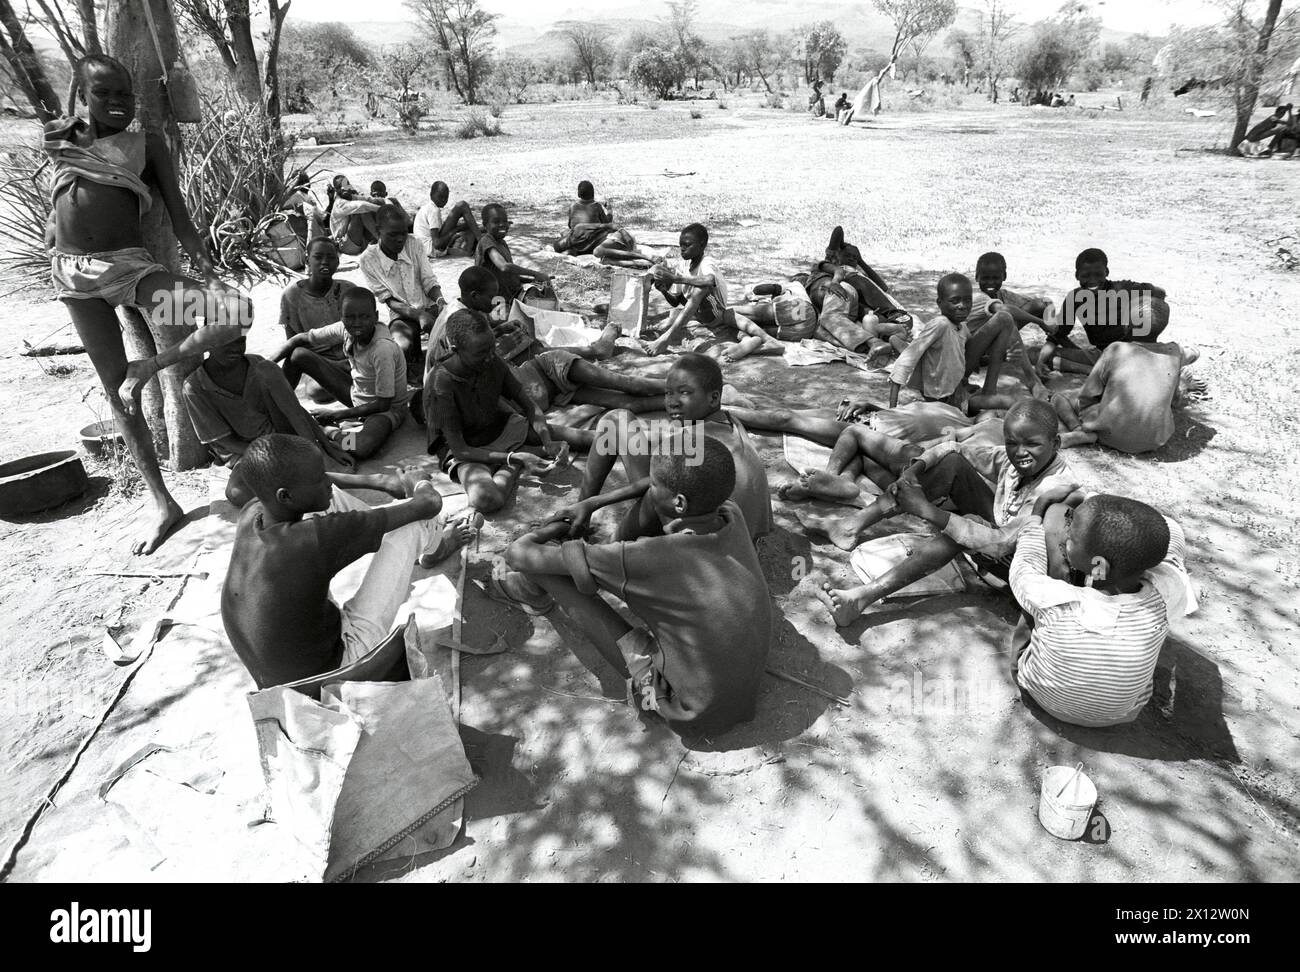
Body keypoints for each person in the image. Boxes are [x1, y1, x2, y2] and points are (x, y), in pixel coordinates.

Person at [44, 53, 250, 554]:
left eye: (124, 93)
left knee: (233, 311)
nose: (115, 102)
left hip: (132, 271)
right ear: (83, 95)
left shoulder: (146, 142)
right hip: (73, 276)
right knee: (120, 395)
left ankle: (151, 364)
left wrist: (205, 271)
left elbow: (178, 214)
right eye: (103, 93)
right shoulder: (63, 137)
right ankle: (164, 504)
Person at [498, 434, 772, 738]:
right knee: (614, 542)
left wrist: (553, 530)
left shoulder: (646, 559)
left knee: (552, 572)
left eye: (654, 485)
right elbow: (662, 489)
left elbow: (517, 554)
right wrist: (592, 503)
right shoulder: (730, 513)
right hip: (741, 686)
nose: (648, 488)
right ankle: (540, 584)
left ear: (679, 502)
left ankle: (530, 592)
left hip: (689, 710)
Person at [220, 434, 474, 689]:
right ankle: (436, 548)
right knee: (415, 521)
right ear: (285, 496)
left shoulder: (252, 511)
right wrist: (418, 483)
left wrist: (380, 482)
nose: (328, 480)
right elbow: (429, 504)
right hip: (333, 674)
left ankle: (391, 529)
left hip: (279, 676)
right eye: (320, 478)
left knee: (329, 498)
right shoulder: (315, 538)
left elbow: (321, 488)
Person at [813, 399, 1081, 624]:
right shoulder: (1013, 459)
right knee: (952, 463)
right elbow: (954, 448)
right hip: (1004, 531)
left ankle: (861, 598)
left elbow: (1002, 543)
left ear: (1056, 444)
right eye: (1012, 443)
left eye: (1032, 444)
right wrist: (915, 470)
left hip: (1025, 568)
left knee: (968, 524)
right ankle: (851, 526)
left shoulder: (1056, 486)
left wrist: (928, 511)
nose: (1020, 452)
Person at [1010, 492, 1190, 727]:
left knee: (1030, 606)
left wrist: (1036, 515)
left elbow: (1025, 565)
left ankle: (1026, 664)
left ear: (1099, 566)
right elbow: (1173, 538)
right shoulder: (1169, 594)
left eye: (1071, 538)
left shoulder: (1055, 599)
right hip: (1120, 716)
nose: (1065, 538)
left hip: (1042, 698)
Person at [579, 353, 773, 541]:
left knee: (615, 422)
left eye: (685, 392)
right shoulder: (732, 423)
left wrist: (592, 503)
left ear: (713, 398)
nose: (672, 402)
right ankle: (581, 519)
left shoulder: (693, 439)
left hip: (705, 539)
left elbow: (654, 484)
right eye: (668, 393)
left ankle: (601, 541)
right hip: (745, 535)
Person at [182, 336, 352, 506]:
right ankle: (306, 472)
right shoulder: (195, 387)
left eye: (240, 341)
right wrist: (272, 457)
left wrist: (325, 447)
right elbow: (227, 442)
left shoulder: (259, 365)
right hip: (249, 452)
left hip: (286, 437)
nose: (235, 349)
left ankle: (326, 442)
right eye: (227, 341)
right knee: (237, 493)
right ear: (207, 342)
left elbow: (295, 411)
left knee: (358, 446)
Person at [430, 310, 570, 513]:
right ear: (455, 349)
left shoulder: (492, 361)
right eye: (481, 353)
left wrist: (547, 440)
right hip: (469, 450)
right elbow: (461, 450)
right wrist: (516, 458)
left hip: (501, 429)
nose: (489, 357)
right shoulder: (441, 383)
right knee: (486, 499)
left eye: (491, 349)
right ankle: (518, 461)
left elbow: (529, 406)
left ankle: (526, 454)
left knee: (579, 439)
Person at [273, 288, 410, 459]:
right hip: (356, 395)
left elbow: (383, 404)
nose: (357, 323)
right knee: (298, 355)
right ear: (342, 316)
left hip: (385, 410)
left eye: (364, 317)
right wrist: (269, 363)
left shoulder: (382, 349)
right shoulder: (345, 328)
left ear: (375, 317)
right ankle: (278, 411)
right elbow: (300, 338)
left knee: (361, 447)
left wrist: (336, 415)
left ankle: (328, 432)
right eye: (350, 317)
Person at [889, 273, 1027, 414]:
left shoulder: (962, 327)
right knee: (1004, 404)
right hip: (937, 400)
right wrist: (891, 410)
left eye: (968, 301)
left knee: (1004, 317)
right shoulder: (940, 324)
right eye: (955, 301)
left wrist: (1003, 357)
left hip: (956, 395)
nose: (962, 306)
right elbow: (906, 360)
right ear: (939, 303)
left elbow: (972, 360)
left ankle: (989, 391)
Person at [642, 223, 784, 360]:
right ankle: (748, 340)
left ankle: (666, 338)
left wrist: (674, 278)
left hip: (716, 312)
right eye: (681, 245)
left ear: (702, 245)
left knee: (702, 290)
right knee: (676, 314)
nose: (682, 249)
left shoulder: (707, 262)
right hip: (701, 317)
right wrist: (663, 291)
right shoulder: (683, 265)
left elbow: (709, 281)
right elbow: (676, 301)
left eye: (687, 245)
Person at [1036, 248, 1170, 377]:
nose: (1092, 280)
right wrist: (1040, 361)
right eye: (1086, 276)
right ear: (1077, 276)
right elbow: (1058, 335)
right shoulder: (1075, 298)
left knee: (1046, 357)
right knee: (1035, 354)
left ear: (1107, 272)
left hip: (1131, 354)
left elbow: (1160, 293)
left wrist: (1140, 312)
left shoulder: (1124, 289)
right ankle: (1096, 371)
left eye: (1098, 274)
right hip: (1102, 355)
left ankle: (1094, 372)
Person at [1051, 342, 1201, 453]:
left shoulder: (1116, 348)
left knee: (1059, 397)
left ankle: (1081, 431)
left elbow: (1087, 395)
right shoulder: (1175, 353)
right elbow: (1194, 352)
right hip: (1155, 440)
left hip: (1109, 435)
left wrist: (1090, 417)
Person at [359, 205, 443, 387]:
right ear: (377, 231)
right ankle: (412, 366)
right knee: (401, 347)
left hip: (429, 305)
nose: (400, 239)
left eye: (404, 233)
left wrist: (440, 301)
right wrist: (418, 315)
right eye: (392, 234)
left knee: (453, 336)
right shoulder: (367, 260)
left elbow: (429, 280)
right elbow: (389, 300)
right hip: (402, 315)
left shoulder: (414, 244)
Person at [278, 237, 355, 403]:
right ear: (307, 260)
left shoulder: (348, 289)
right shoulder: (292, 295)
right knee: (316, 391)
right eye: (318, 257)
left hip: (351, 357)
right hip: (320, 362)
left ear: (338, 261)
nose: (325, 262)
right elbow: (292, 341)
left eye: (331, 257)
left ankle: (352, 386)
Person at [968, 251, 1051, 398]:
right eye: (985, 278)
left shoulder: (1004, 295)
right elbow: (1005, 310)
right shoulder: (979, 298)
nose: (990, 283)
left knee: (1030, 308)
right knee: (1007, 318)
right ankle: (1033, 380)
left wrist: (1053, 329)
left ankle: (1060, 343)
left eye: (995, 278)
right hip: (969, 352)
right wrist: (1040, 322)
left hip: (987, 348)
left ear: (1004, 277)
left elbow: (1043, 303)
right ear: (976, 277)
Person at [475, 203, 557, 310]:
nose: (502, 225)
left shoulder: (502, 243)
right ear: (485, 225)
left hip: (511, 295)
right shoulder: (486, 242)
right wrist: (535, 273)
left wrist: (533, 279)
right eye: (496, 222)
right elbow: (504, 267)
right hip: (496, 300)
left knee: (544, 292)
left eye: (505, 221)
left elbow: (510, 275)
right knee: (539, 305)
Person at [412, 180, 479, 257]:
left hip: (423, 249)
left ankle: (471, 246)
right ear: (431, 195)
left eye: (446, 197)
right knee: (462, 205)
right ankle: (481, 241)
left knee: (468, 225)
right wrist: (456, 229)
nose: (443, 200)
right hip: (431, 250)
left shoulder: (426, 208)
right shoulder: (433, 210)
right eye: (440, 197)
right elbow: (437, 244)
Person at [325, 175, 385, 255]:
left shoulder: (350, 197)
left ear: (349, 186)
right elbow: (362, 206)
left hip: (356, 241)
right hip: (344, 245)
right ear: (336, 190)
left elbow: (369, 200)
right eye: (339, 187)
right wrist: (383, 210)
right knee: (362, 212)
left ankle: (381, 237)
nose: (343, 188)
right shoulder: (339, 204)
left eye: (345, 185)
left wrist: (385, 201)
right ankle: (382, 240)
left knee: (371, 209)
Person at [553, 180, 615, 255]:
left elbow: (570, 225)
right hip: (592, 241)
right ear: (593, 194)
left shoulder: (573, 206)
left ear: (578, 194)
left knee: (565, 232)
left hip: (576, 241)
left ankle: (574, 251)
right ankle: (587, 251)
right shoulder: (597, 206)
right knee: (607, 234)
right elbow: (607, 224)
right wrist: (609, 211)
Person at [593, 227, 659, 270]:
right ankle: (648, 263)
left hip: (624, 238)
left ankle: (646, 257)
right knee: (605, 260)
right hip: (618, 250)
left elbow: (620, 229)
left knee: (597, 252)